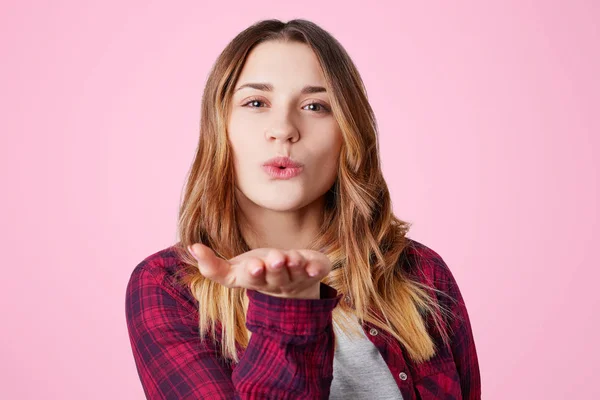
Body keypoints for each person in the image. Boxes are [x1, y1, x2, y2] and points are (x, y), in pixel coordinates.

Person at [125, 18, 481, 400]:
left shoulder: (421, 274)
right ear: (220, 129)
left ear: (349, 133)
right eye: (256, 103)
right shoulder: (166, 287)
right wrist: (287, 310)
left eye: (315, 105)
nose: (284, 129)